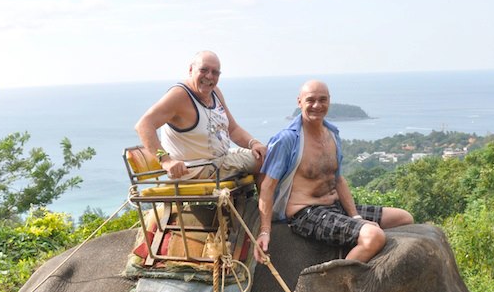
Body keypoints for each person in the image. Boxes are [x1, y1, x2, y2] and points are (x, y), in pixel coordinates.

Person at [254, 80, 414, 263]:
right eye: (310, 100)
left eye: (322, 100)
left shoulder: (332, 133)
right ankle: (336, 280)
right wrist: (265, 231)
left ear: (329, 101)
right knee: (373, 237)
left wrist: (355, 217)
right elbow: (267, 186)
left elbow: (338, 180)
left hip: (336, 207)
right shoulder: (288, 140)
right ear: (299, 102)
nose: (317, 105)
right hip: (307, 212)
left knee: (403, 218)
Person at [134, 50, 267, 180]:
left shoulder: (214, 92)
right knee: (268, 161)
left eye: (215, 72)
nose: (209, 76)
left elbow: (232, 129)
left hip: (220, 160)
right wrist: (165, 160)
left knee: (265, 154)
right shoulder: (179, 95)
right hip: (197, 168)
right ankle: (267, 196)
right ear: (191, 70)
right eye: (204, 70)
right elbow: (143, 125)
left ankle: (263, 194)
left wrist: (254, 143)